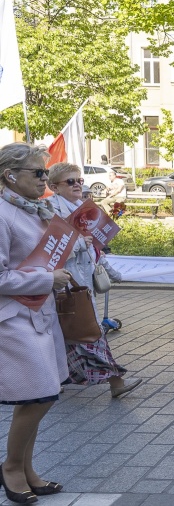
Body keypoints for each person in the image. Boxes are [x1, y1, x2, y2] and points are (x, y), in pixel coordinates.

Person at [0, 143, 72, 503]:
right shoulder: (2, 214)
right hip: (13, 318)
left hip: (40, 314)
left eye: (46, 172)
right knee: (39, 394)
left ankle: (26, 468)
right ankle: (12, 467)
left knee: (40, 395)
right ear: (10, 176)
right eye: (38, 172)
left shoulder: (33, 209)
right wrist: (47, 279)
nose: (45, 178)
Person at [47, 162, 142, 398]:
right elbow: (50, 253)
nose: (77, 185)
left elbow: (96, 249)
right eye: (70, 181)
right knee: (88, 333)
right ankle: (116, 381)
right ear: (54, 187)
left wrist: (113, 273)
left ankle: (56, 380)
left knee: (71, 335)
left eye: (79, 180)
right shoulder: (50, 211)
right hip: (65, 285)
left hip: (82, 284)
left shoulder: (84, 209)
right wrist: (80, 244)